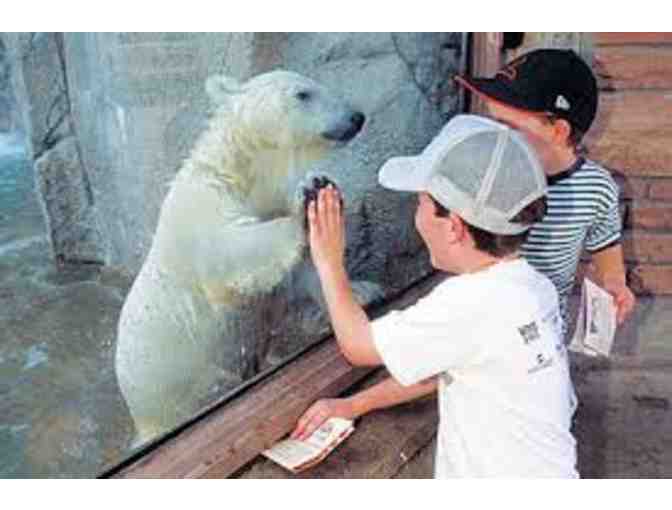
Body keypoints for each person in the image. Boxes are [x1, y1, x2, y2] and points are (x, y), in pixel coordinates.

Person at [292, 114, 579, 478]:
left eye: (421, 204)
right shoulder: (533, 286)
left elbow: (358, 346)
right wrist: (355, 404)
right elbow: (439, 363)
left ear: (454, 227)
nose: (417, 218)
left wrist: (329, 260)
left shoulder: (469, 302)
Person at [455, 48, 635, 332]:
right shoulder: (487, 173)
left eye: (506, 126)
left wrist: (615, 286)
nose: (493, 136)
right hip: (479, 328)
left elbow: (607, 253)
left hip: (543, 335)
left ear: (558, 131)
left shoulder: (597, 189)